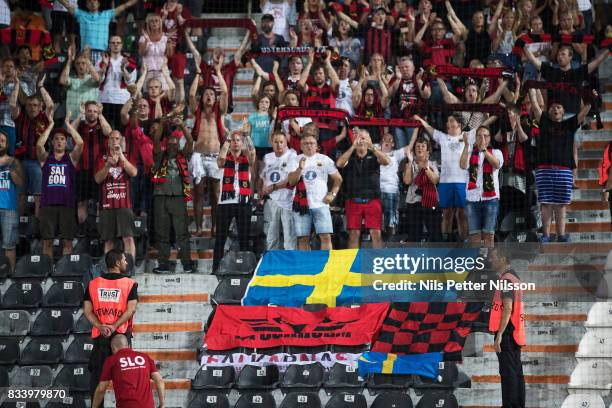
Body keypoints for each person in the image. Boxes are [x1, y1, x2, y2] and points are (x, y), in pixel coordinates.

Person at [528, 88, 592, 243]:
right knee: (546, 203)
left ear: (563, 111)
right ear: (548, 111)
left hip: (564, 170)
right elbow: (535, 105)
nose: (555, 108)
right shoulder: (543, 121)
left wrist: (590, 100)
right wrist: (530, 88)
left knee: (561, 204)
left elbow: (583, 113)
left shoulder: (570, 124)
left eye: (558, 107)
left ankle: (561, 235)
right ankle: (546, 235)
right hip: (544, 169)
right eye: (552, 107)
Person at [84, 249, 138, 407]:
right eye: (124, 260)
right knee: (126, 378)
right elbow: (131, 310)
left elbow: (87, 311)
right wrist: (114, 326)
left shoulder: (93, 284)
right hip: (121, 337)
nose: (126, 263)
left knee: (98, 380)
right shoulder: (130, 284)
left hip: (101, 337)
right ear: (117, 263)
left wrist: (101, 326)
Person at [188, 59, 228, 237]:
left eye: (212, 94)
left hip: (215, 156)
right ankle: (198, 227)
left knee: (215, 194)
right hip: (198, 156)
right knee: (197, 193)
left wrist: (218, 72)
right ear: (202, 98)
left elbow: (225, 92)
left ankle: (214, 227)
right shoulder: (197, 111)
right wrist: (197, 74)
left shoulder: (219, 112)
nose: (209, 96)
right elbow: (190, 96)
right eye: (206, 94)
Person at [288, 125, 343, 250]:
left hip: (321, 204)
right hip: (301, 205)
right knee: (303, 238)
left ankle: (327, 266)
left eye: (312, 143)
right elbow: (291, 182)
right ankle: (307, 268)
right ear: (301, 146)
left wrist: (333, 194)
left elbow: (338, 179)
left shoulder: (325, 159)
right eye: (306, 143)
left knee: (326, 237)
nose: (309, 146)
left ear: (317, 145)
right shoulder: (295, 160)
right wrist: (300, 168)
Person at [151, 119, 195, 274]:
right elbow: (155, 139)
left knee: (182, 232)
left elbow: (190, 140)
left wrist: (182, 125)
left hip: (177, 197)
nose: (172, 146)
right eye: (169, 143)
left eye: (175, 143)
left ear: (178, 144)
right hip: (160, 197)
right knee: (161, 233)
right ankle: (163, 264)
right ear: (166, 144)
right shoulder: (159, 156)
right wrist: (163, 123)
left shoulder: (183, 155)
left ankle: (187, 264)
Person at [36, 115, 83, 260]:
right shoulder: (45, 158)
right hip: (47, 205)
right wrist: (50, 125)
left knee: (67, 242)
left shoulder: (71, 158)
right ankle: (47, 269)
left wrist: (68, 126)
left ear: (66, 142)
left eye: (62, 139)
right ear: (52, 142)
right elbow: (38, 145)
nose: (59, 141)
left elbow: (80, 143)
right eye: (56, 138)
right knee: (47, 242)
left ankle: (64, 271)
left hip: (67, 205)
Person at [336, 129, 389, 248]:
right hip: (353, 199)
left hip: (373, 200)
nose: (361, 141)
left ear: (369, 140)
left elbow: (386, 161)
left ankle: (377, 263)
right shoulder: (350, 155)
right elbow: (339, 163)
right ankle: (353, 263)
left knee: (376, 233)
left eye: (364, 138)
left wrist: (372, 147)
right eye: (358, 138)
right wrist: (352, 147)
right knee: (354, 234)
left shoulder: (374, 155)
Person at [488, 247, 526, 408]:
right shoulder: (514, 277)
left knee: (508, 374)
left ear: (503, 259)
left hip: (508, 333)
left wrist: (500, 335)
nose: (491, 260)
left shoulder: (506, 279)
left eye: (494, 257)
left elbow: (508, 307)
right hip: (515, 331)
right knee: (516, 373)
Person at [213, 131, 256, 272]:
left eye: (238, 140)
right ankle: (216, 268)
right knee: (220, 237)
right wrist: (226, 140)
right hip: (225, 203)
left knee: (244, 237)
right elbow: (220, 160)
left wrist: (247, 136)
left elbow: (252, 157)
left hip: (243, 202)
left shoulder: (246, 159)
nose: (236, 142)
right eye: (233, 140)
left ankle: (245, 268)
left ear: (242, 143)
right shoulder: (224, 159)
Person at [10, 80, 53, 216]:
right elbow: (12, 104)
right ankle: (17, 229)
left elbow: (51, 105)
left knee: (39, 197)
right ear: (25, 106)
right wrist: (17, 85)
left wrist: (40, 86)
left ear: (40, 106)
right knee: (20, 196)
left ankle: (36, 231)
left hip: (37, 163)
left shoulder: (44, 118)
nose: (32, 108)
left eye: (35, 105)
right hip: (20, 162)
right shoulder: (20, 117)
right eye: (29, 105)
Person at [94, 131, 138, 262]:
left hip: (125, 205)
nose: (114, 141)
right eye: (111, 139)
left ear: (121, 141)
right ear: (108, 142)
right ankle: (110, 270)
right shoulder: (101, 158)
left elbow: (134, 172)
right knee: (109, 241)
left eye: (117, 139)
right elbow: (97, 179)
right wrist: (107, 165)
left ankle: (129, 267)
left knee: (128, 238)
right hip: (107, 206)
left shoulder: (128, 156)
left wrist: (122, 158)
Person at [459, 126, 504, 248]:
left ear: (489, 138)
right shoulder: (469, 152)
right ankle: (477, 264)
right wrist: (467, 145)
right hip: (472, 199)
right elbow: (463, 165)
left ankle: (489, 263)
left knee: (489, 234)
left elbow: (496, 164)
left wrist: (484, 150)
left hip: (490, 199)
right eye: (479, 136)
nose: (482, 138)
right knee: (474, 236)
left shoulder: (496, 152)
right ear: (475, 138)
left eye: (485, 136)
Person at [92, 334, 164, 408]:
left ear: (113, 348)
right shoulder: (145, 357)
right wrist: (162, 405)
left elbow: (101, 388)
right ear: (129, 346)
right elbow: (159, 380)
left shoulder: (111, 360)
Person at [72, 101, 112, 230]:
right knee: (81, 202)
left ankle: (100, 231)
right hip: (81, 170)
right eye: (89, 111)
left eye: (95, 111)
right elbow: (70, 130)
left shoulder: (102, 125)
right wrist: (80, 114)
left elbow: (109, 132)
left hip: (99, 171)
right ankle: (81, 231)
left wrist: (100, 115)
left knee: (101, 202)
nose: (92, 113)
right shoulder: (80, 126)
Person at [57, 0, 138, 62]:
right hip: (86, 53)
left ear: (99, 4)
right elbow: (66, 4)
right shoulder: (81, 14)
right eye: (90, 1)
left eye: (95, 0)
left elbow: (125, 5)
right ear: (87, 5)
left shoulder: (106, 14)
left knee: (101, 81)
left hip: (102, 54)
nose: (92, 3)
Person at [260, 131, 297, 250]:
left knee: (289, 239)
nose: (279, 145)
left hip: (288, 201)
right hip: (271, 201)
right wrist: (263, 186)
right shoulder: (267, 157)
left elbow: (291, 179)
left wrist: (273, 187)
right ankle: (272, 266)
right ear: (271, 142)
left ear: (286, 142)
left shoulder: (292, 155)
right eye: (276, 142)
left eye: (281, 142)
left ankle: (291, 267)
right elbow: (263, 176)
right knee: (271, 238)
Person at [402, 136, 441, 242]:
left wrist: (426, 167)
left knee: (434, 234)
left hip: (430, 201)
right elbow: (407, 181)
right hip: (413, 201)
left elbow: (435, 180)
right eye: (417, 146)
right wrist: (410, 162)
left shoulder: (433, 164)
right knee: (414, 235)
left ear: (428, 149)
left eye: (423, 146)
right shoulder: (409, 164)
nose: (420, 148)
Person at [99, 36, 137, 131]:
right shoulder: (102, 59)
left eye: (118, 43)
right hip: (105, 99)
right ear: (109, 45)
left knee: (121, 130)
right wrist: (104, 65)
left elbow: (131, 82)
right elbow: (98, 80)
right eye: (113, 42)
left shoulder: (129, 61)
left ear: (121, 45)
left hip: (122, 99)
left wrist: (123, 69)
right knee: (105, 130)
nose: (115, 44)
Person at [0, 130, 22, 272]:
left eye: (2, 140)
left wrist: (11, 169)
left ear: (7, 144)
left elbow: (19, 183)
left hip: (9, 208)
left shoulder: (14, 161)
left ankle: (11, 277)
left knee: (9, 245)